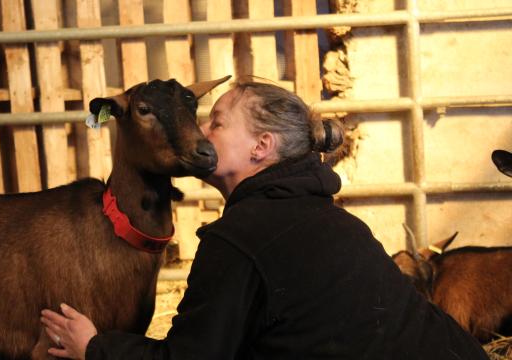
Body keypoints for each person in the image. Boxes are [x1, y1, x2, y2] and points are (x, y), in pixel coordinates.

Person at [40, 80, 489, 359]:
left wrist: (95, 348)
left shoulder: (243, 238)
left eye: (215, 122)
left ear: (261, 147)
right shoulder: (331, 218)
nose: (200, 134)